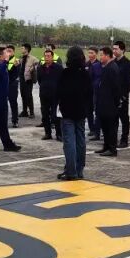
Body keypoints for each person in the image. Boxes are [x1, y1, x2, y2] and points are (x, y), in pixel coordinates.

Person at [56, 46, 92, 180]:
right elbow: (90, 93)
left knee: (69, 141)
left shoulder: (65, 73)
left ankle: (71, 171)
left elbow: (59, 92)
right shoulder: (85, 74)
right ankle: (79, 169)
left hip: (67, 111)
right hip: (81, 110)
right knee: (80, 140)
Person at [96, 47, 122, 157]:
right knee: (105, 126)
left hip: (110, 104)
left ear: (107, 56)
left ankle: (112, 149)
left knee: (111, 127)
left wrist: (115, 103)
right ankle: (106, 146)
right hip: (105, 103)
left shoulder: (112, 68)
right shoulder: (107, 67)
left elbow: (116, 88)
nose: (100, 57)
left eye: (101, 55)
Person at [37, 50, 64, 141]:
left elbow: (62, 80)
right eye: (45, 56)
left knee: (55, 115)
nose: (47, 58)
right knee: (45, 115)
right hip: (44, 95)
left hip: (55, 95)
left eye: (49, 56)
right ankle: (47, 133)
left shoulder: (58, 68)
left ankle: (59, 134)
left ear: (52, 57)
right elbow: (39, 80)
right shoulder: (40, 68)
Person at [113, 41, 130, 148]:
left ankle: (124, 140)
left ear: (122, 50)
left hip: (122, 97)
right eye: (113, 49)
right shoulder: (112, 62)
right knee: (113, 119)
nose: (114, 51)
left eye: (116, 49)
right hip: (112, 96)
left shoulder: (128, 64)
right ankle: (112, 139)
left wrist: (124, 96)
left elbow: (129, 82)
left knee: (124, 118)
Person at [87, 47, 104, 141]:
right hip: (88, 92)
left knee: (98, 111)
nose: (90, 55)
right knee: (88, 111)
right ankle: (92, 129)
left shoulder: (99, 64)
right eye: (89, 53)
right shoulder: (86, 64)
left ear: (96, 54)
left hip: (96, 91)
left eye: (92, 53)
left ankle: (99, 130)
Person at [19, 43, 39, 119]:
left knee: (28, 96)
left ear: (26, 49)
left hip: (28, 80)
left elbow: (38, 64)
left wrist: (33, 68)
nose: (21, 49)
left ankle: (31, 112)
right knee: (23, 95)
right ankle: (24, 111)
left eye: (22, 48)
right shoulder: (21, 58)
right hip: (22, 79)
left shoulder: (32, 58)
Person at [6, 44, 20, 128]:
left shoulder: (16, 61)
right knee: (2, 104)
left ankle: (15, 121)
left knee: (13, 103)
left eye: (10, 51)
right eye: (7, 51)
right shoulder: (4, 60)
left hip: (12, 85)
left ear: (13, 52)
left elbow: (14, 73)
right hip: (4, 85)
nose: (8, 53)